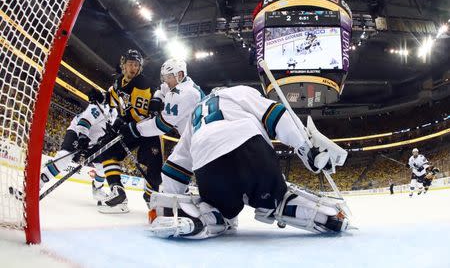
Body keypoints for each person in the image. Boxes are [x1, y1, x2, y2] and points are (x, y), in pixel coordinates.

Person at [148, 86, 350, 239]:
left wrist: (171, 197)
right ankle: (326, 216)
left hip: (207, 161)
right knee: (277, 200)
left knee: (223, 212)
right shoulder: (238, 92)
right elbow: (275, 114)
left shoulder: (194, 117)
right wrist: (305, 149)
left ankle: (199, 218)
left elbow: (175, 167)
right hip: (248, 146)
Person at [117, 58, 204, 208]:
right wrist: (157, 98)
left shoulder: (186, 94)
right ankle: (179, 205)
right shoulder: (183, 82)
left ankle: (209, 208)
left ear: (180, 74)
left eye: (168, 77)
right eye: (164, 77)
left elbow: (161, 125)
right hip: (191, 137)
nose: (166, 81)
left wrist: (135, 129)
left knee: (188, 176)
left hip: (201, 141)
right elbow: (162, 88)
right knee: (170, 173)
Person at [90, 49, 163, 213]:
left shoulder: (143, 85)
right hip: (129, 127)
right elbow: (111, 98)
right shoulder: (118, 82)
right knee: (108, 153)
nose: (133, 68)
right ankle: (118, 194)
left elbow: (141, 117)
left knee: (154, 167)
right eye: (130, 64)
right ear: (124, 65)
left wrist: (122, 124)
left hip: (147, 130)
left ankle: (152, 198)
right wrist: (99, 96)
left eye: (136, 65)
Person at [39, 101, 117, 200]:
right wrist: (82, 137)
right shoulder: (101, 103)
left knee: (103, 166)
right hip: (78, 132)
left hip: (93, 141)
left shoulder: (115, 112)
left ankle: (97, 189)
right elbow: (85, 121)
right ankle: (38, 183)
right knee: (65, 157)